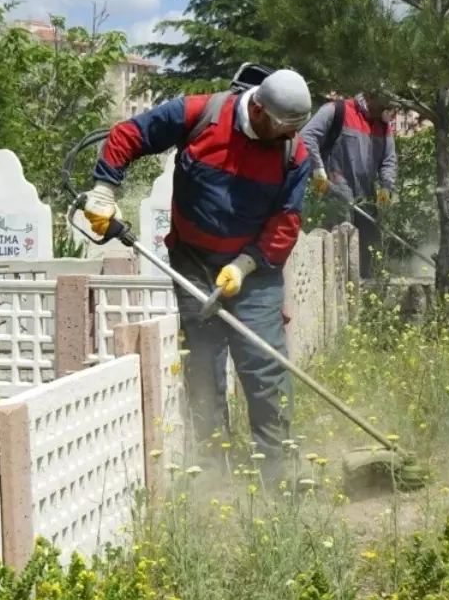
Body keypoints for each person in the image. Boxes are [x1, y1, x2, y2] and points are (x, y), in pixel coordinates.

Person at [82, 69, 314, 484]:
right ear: (258, 108)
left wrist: (245, 265)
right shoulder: (199, 113)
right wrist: (104, 190)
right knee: (204, 366)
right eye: (282, 129)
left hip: (255, 272)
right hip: (192, 262)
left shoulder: (293, 153)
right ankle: (213, 473)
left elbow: (286, 222)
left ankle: (279, 472)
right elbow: (128, 136)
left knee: (265, 366)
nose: (287, 138)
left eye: (294, 131)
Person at [301, 91, 398, 279]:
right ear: (370, 97)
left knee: (369, 246)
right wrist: (318, 169)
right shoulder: (337, 111)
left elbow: (389, 160)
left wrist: (386, 186)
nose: (383, 112)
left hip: (366, 194)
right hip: (335, 190)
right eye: (381, 106)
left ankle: (366, 292)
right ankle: (335, 287)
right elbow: (307, 136)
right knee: (338, 245)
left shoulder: (383, 126)